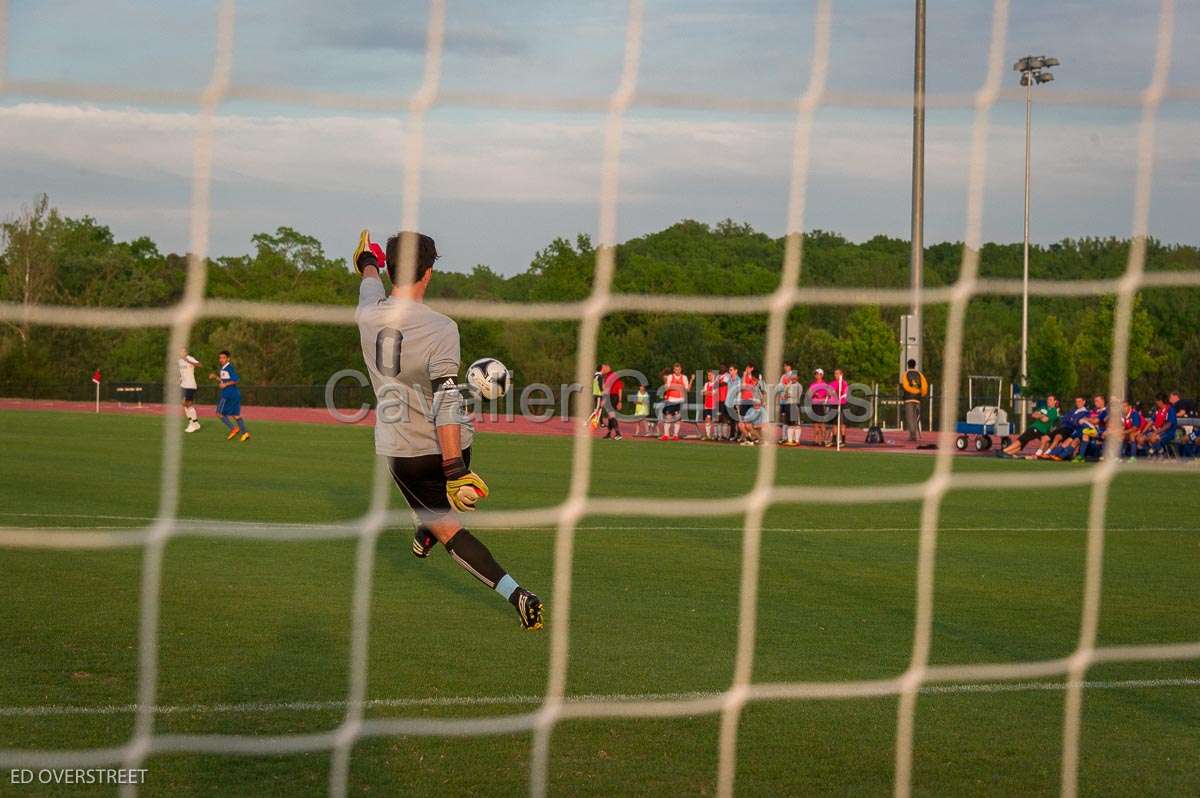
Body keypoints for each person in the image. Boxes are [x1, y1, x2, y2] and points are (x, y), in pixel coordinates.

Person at [353, 229, 542, 630]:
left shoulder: (367, 313)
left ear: (389, 268)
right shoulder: (442, 327)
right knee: (444, 510)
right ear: (429, 272)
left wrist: (367, 260)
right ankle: (428, 530)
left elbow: (368, 282)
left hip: (405, 452)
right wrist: (455, 468)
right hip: (453, 446)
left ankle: (516, 593)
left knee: (447, 529)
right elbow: (446, 401)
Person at [999, 394, 1058, 458]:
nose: (1048, 401)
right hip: (1035, 427)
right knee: (1023, 442)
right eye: (1048, 399)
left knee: (1022, 439)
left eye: (1050, 400)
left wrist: (1040, 415)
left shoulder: (1054, 411)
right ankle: (1008, 453)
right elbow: (1033, 415)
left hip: (1040, 430)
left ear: (1055, 401)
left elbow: (1044, 420)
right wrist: (1042, 415)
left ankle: (1004, 451)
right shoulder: (1043, 407)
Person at [212, 350, 250, 442]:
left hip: (227, 395)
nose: (221, 359)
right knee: (235, 415)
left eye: (223, 358)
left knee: (219, 413)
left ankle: (233, 429)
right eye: (220, 357)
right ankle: (245, 433)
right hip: (234, 394)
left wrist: (225, 385)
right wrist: (216, 378)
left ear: (228, 359)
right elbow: (224, 380)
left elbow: (236, 379)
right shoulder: (223, 368)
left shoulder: (229, 368)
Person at [900, 359, 928, 442]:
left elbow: (905, 386)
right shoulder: (920, 375)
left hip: (908, 399)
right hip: (917, 399)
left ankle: (912, 435)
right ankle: (914, 435)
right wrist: (920, 394)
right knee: (915, 417)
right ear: (915, 365)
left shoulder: (906, 374)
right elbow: (925, 386)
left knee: (909, 417)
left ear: (908, 365)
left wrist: (913, 391)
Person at [660, 362, 690, 441]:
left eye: (679, 369)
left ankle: (675, 435)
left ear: (681, 370)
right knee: (668, 417)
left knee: (677, 418)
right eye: (676, 369)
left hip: (680, 400)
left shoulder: (684, 377)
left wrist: (674, 386)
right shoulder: (670, 376)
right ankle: (666, 435)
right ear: (674, 370)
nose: (677, 371)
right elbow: (667, 388)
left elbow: (687, 389)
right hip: (671, 400)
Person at [778, 362, 802, 446]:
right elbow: (784, 395)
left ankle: (797, 440)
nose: (793, 378)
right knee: (789, 423)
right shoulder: (788, 385)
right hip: (788, 405)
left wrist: (787, 395)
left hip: (794, 405)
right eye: (792, 377)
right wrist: (785, 395)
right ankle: (790, 440)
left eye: (795, 377)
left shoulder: (799, 385)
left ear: (797, 377)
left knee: (796, 424)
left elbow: (796, 395)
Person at [178, 347, 202, 433]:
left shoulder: (189, 358)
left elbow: (200, 365)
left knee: (187, 404)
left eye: (183, 351)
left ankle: (194, 424)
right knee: (185, 404)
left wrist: (188, 361)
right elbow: (182, 372)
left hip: (190, 385)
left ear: (186, 352)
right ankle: (192, 423)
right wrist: (180, 378)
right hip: (183, 385)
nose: (181, 352)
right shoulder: (179, 361)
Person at [808, 368, 830, 446]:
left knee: (822, 424)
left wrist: (817, 394)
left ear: (821, 375)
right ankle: (815, 440)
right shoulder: (813, 384)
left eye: (817, 374)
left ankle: (822, 440)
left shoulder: (824, 384)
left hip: (821, 405)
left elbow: (825, 394)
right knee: (815, 424)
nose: (816, 375)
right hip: (814, 405)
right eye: (815, 374)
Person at [601, 365, 623, 440]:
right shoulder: (613, 377)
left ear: (608, 368)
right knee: (610, 417)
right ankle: (609, 434)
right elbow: (620, 389)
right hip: (613, 397)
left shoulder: (609, 377)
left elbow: (607, 389)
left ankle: (618, 434)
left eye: (604, 368)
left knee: (611, 416)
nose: (603, 370)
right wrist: (619, 401)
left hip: (612, 397)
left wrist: (604, 400)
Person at [830, 368, 849, 447]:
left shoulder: (844, 383)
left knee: (842, 423)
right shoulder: (832, 383)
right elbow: (829, 392)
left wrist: (840, 396)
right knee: (834, 423)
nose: (836, 375)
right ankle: (834, 440)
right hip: (834, 404)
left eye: (838, 373)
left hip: (842, 404)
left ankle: (843, 441)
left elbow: (845, 393)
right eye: (835, 374)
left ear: (841, 374)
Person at [702, 370, 718, 440]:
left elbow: (712, 393)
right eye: (708, 375)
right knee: (707, 419)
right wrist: (708, 392)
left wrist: (707, 392)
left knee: (714, 420)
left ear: (714, 376)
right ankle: (708, 435)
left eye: (710, 375)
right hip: (707, 405)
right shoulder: (706, 384)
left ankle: (715, 435)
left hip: (714, 405)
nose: (709, 377)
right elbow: (703, 393)